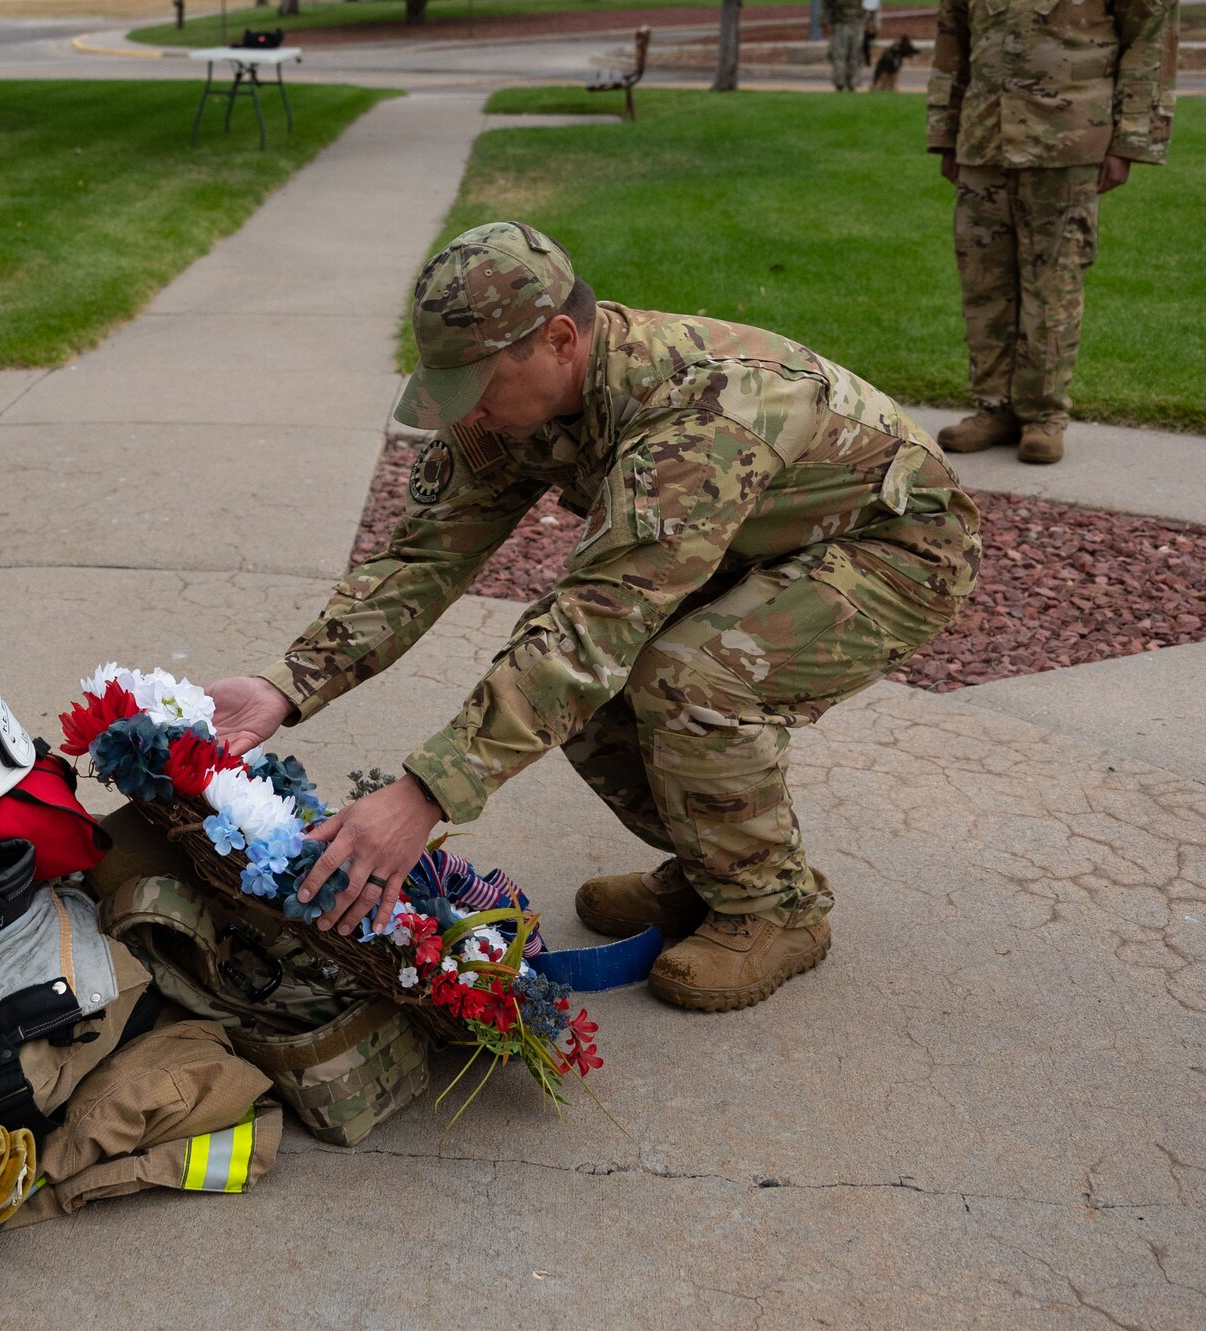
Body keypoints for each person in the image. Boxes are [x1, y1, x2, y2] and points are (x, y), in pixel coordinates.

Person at [207, 222, 981, 1013]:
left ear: (559, 339)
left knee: (687, 678)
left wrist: (424, 793)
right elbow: (422, 559)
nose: (464, 415)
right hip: (754, 542)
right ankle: (712, 867)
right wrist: (286, 685)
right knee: (574, 682)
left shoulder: (704, 412)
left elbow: (594, 629)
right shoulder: (515, 404)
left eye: (475, 387)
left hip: (898, 548)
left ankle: (772, 906)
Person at [927, 0, 1178, 465]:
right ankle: (994, 408)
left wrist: (1130, 140)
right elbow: (951, 41)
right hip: (983, 138)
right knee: (984, 283)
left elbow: (1148, 41)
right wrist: (945, 132)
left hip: (1070, 139)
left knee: (1054, 285)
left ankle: (1044, 415)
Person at [825, 0, 869, 91]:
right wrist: (825, 22)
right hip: (841, 24)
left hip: (857, 23)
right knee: (840, 55)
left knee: (854, 55)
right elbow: (826, 5)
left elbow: (872, 4)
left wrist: (873, 22)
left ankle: (852, 82)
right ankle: (840, 82)